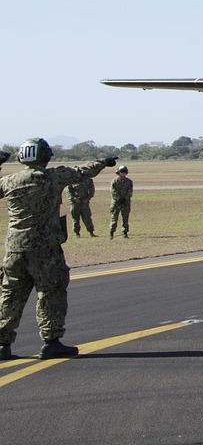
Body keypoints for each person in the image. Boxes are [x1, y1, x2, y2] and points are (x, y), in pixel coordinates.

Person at [0, 138, 116, 361]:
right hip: (44, 248)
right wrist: (103, 161)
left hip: (14, 249)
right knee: (51, 291)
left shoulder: (8, 181)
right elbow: (83, 171)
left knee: (10, 295)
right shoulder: (52, 177)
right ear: (45, 156)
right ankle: (51, 341)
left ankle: (3, 344)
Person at [109, 166, 134, 239]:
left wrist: (125, 198)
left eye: (124, 172)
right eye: (122, 172)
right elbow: (113, 191)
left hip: (126, 202)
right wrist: (119, 199)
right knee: (114, 218)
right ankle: (111, 232)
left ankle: (125, 232)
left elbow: (130, 191)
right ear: (118, 172)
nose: (123, 173)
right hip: (116, 203)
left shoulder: (129, 182)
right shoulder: (114, 181)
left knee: (125, 218)